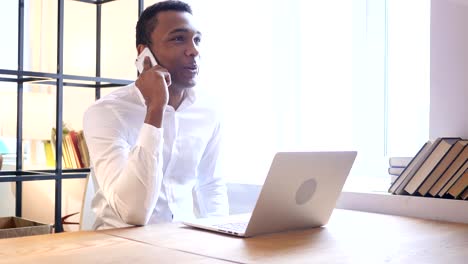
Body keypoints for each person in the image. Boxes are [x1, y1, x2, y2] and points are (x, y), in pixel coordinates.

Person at [83, 0, 228, 230]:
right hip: (119, 244)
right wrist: (156, 108)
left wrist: (223, 235)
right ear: (144, 53)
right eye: (178, 38)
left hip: (183, 241)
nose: (194, 50)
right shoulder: (105, 113)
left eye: (197, 40)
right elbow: (133, 212)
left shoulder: (209, 110)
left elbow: (210, 184)